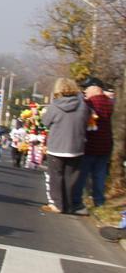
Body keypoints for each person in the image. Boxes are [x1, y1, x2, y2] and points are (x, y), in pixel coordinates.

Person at [40, 77, 89, 214]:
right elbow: (86, 121)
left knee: (56, 176)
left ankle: (57, 204)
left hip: (57, 146)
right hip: (76, 146)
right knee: (70, 178)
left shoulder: (55, 106)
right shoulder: (83, 106)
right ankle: (69, 205)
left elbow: (45, 122)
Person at [70, 77, 114, 213]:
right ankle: (99, 202)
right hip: (106, 145)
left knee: (81, 175)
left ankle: (77, 201)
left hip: (90, 145)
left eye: (87, 88)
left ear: (95, 88)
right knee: (99, 175)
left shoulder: (88, 103)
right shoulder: (110, 103)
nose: (85, 92)